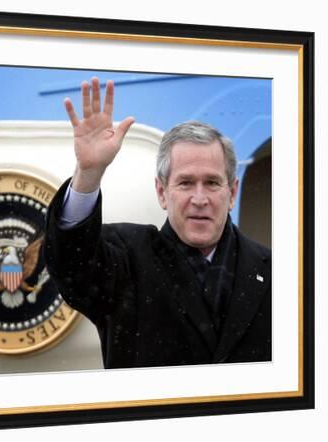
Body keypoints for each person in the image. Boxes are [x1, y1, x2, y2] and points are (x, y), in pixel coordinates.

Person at [43, 77, 271, 369]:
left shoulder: (278, 271)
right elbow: (72, 265)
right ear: (162, 192)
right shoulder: (125, 260)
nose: (199, 198)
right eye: (186, 183)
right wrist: (89, 174)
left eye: (212, 183)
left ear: (232, 193)